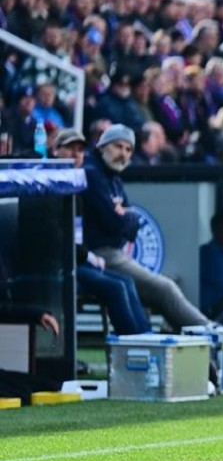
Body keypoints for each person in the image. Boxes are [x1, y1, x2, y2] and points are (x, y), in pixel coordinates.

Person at [81, 123, 210, 331]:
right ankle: (210, 332)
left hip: (114, 252)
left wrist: (124, 215)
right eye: (118, 147)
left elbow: (131, 229)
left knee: (163, 289)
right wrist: (122, 216)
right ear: (102, 146)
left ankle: (196, 337)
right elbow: (113, 222)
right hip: (97, 254)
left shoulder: (113, 178)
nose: (123, 154)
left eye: (128, 149)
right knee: (165, 288)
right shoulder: (92, 173)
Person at [53, 128, 150, 335]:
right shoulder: (49, 187)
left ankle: (145, 341)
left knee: (125, 281)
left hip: (76, 261)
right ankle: (134, 346)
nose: (76, 154)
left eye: (80, 150)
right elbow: (55, 238)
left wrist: (85, 255)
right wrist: (88, 255)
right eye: (70, 148)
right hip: (55, 265)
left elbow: (127, 227)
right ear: (55, 151)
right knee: (115, 287)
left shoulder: (76, 189)